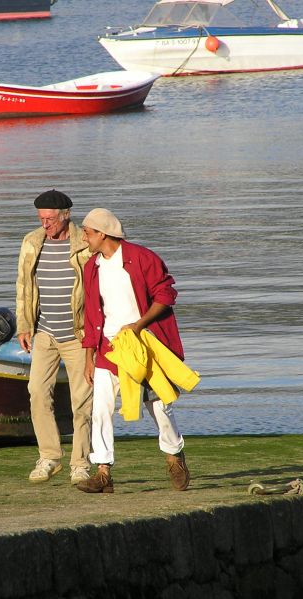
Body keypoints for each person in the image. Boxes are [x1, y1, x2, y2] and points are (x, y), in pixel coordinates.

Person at [77, 208, 193, 493]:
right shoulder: (91, 267)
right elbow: (91, 315)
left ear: (102, 233)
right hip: (108, 348)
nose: (83, 237)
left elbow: (166, 296)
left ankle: (174, 455)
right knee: (100, 408)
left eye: (87, 232)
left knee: (158, 406)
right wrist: (89, 357)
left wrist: (138, 325)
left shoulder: (142, 258)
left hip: (146, 343)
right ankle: (103, 472)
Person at [16, 189, 94, 485]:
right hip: (44, 332)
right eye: (41, 219)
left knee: (81, 400)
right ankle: (49, 457)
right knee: (37, 393)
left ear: (66, 215)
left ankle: (80, 463)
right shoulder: (32, 241)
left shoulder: (85, 243)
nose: (45, 224)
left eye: (50, 219)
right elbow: (23, 286)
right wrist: (25, 325)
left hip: (78, 334)